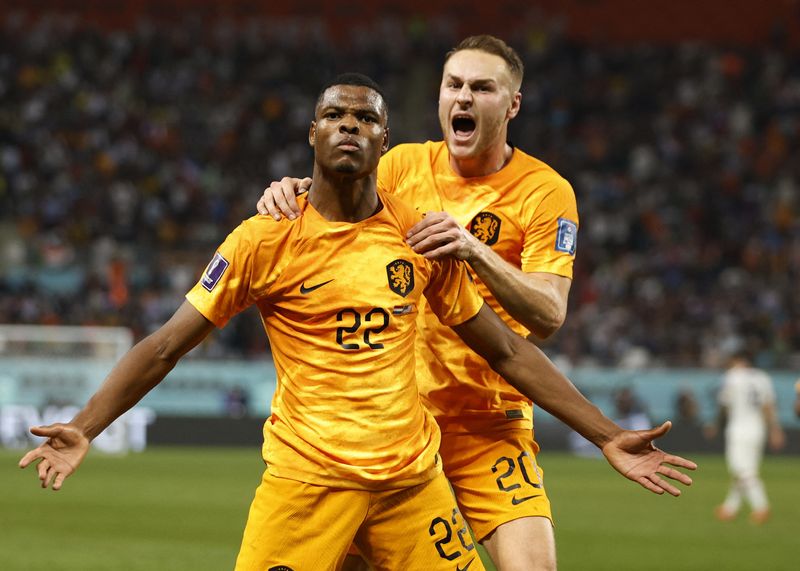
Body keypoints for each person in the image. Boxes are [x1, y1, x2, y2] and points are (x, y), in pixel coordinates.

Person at [20, 74, 694, 571]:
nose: (348, 125)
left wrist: (607, 434)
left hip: (410, 483)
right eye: (333, 115)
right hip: (306, 484)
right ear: (312, 134)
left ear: (385, 141)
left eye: (364, 118)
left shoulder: (420, 238)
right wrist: (84, 424)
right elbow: (166, 345)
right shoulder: (262, 239)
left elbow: (510, 354)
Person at [257, 35, 584, 570]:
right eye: (453, 85)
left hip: (489, 425)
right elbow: (335, 194)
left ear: (512, 104)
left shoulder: (545, 192)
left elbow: (548, 313)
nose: (464, 98)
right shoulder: (404, 164)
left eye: (482, 88)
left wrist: (473, 249)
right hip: (399, 427)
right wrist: (290, 188)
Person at [706, 351, 784, 524]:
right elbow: (768, 406)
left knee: (741, 470)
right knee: (746, 470)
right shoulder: (762, 378)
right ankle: (729, 508)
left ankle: (761, 506)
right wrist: (775, 430)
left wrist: (715, 425)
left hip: (739, 429)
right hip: (758, 429)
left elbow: (724, 405)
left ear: (737, 361)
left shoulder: (733, 377)